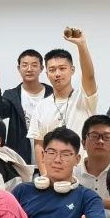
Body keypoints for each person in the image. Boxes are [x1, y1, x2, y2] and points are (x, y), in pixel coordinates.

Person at [12, 128, 107, 218]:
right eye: (52, 153)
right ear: (43, 155)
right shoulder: (22, 191)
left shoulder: (87, 196)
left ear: (77, 159)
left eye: (65, 154)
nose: (57, 160)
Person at [26, 29, 98, 167]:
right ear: (47, 74)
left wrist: (81, 45)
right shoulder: (41, 107)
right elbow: (39, 145)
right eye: (52, 70)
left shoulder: (84, 98)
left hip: (82, 172)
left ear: (72, 70)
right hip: (53, 173)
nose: (57, 74)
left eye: (62, 68)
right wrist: (45, 175)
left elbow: (89, 76)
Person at [0, 49, 52, 164]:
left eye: (34, 65)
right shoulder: (12, 95)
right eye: (25, 65)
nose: (29, 69)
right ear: (19, 68)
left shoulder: (52, 93)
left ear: (41, 68)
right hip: (19, 159)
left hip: (50, 155)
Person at [75, 114, 110, 209]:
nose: (100, 141)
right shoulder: (72, 175)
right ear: (83, 143)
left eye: (107, 137)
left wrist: (94, 201)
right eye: (94, 136)